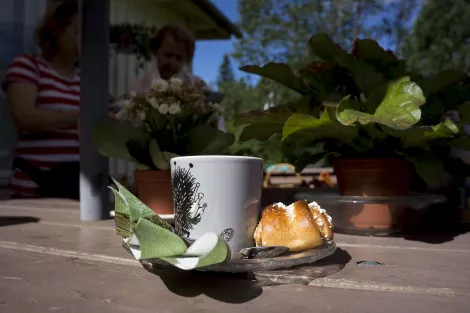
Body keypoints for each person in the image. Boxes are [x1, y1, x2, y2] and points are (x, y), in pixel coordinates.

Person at [2, 0, 83, 198]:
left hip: (76, 188)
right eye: (78, 32)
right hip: (34, 188)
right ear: (57, 31)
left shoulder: (85, 80)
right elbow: (24, 118)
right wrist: (84, 115)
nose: (84, 40)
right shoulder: (29, 65)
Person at [131, 24, 225, 130]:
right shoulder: (140, 87)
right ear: (156, 51)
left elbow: (218, 126)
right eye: (168, 55)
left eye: (179, 58)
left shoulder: (196, 84)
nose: (172, 63)